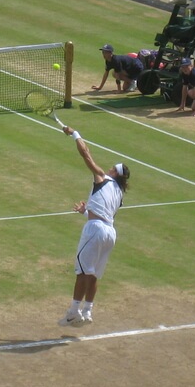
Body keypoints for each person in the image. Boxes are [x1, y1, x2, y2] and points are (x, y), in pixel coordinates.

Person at [58, 123, 130, 327]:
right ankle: (87, 311)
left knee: (82, 272)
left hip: (96, 230)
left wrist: (74, 134)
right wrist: (85, 212)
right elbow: (103, 214)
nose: (107, 169)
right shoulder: (119, 194)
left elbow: (86, 155)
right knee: (93, 274)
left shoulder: (103, 179)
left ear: (114, 173)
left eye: (111, 169)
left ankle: (73, 312)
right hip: (109, 234)